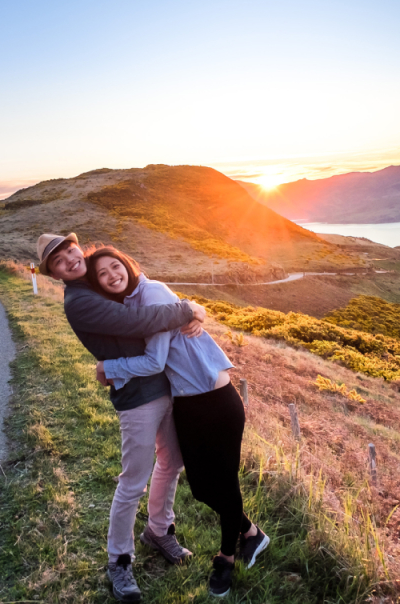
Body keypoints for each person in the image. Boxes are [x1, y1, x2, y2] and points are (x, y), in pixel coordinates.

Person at [85, 246, 269, 598]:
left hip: (215, 398)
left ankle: (226, 559)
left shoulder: (150, 293)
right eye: (102, 275)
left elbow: (155, 361)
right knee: (201, 487)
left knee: (225, 482)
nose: (111, 275)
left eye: (114, 266)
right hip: (186, 403)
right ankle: (251, 532)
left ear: (127, 264)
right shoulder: (127, 307)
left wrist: (109, 369)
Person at [37, 233, 207, 603]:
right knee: (133, 481)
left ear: (78, 249)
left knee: (171, 462)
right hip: (137, 398)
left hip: (163, 387)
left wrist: (192, 308)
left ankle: (159, 531)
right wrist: (187, 308)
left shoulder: (94, 284)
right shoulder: (80, 300)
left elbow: (140, 295)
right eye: (58, 262)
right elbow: (135, 321)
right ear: (53, 274)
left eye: (70, 251)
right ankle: (119, 560)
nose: (68, 259)